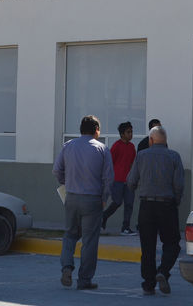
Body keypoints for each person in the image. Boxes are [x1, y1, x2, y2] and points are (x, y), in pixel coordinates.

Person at [52, 115, 113, 290]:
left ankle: (66, 267)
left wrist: (66, 183)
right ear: (96, 130)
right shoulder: (102, 149)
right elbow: (108, 178)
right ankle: (84, 279)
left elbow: (56, 170)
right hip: (92, 199)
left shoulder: (68, 146)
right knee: (89, 240)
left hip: (71, 197)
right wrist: (104, 199)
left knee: (70, 234)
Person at [127, 125, 184, 296]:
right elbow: (179, 184)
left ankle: (148, 284)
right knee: (172, 243)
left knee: (148, 247)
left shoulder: (141, 156)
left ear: (151, 140)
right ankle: (163, 271)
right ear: (165, 141)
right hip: (167, 205)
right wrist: (176, 201)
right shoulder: (174, 156)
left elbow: (131, 181)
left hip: (146, 206)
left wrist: (137, 189)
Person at [101, 121, 137, 235]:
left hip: (129, 181)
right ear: (122, 134)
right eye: (128, 132)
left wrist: (134, 178)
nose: (131, 134)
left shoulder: (132, 147)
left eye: (131, 132)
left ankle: (125, 227)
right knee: (117, 202)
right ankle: (104, 216)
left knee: (129, 204)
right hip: (117, 180)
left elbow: (133, 163)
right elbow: (110, 163)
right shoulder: (116, 146)